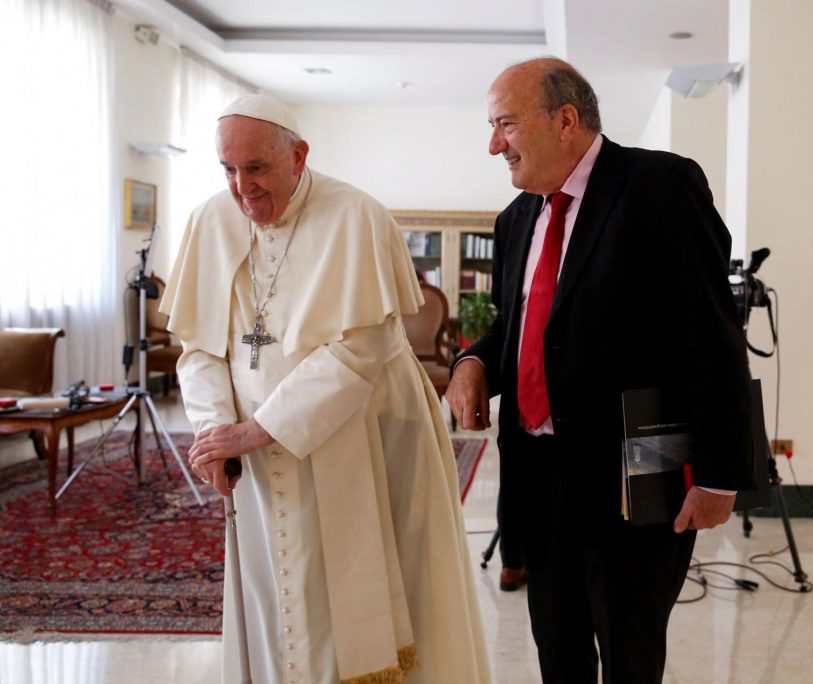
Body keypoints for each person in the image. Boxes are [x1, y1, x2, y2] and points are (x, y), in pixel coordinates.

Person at [162, 93, 491, 684]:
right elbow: (200, 347)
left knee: (384, 590)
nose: (242, 189)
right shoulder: (210, 221)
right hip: (250, 449)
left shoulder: (357, 216)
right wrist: (215, 432)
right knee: (278, 597)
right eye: (228, 170)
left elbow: (360, 349)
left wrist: (261, 428)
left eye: (257, 168)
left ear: (298, 156)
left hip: (365, 430)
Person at [446, 58, 755, 684]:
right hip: (538, 476)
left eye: (506, 124)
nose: (494, 145)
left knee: (629, 654)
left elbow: (711, 334)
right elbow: (523, 327)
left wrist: (721, 474)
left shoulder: (660, 186)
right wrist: (473, 361)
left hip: (637, 468)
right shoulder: (516, 220)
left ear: (565, 120)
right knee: (557, 652)